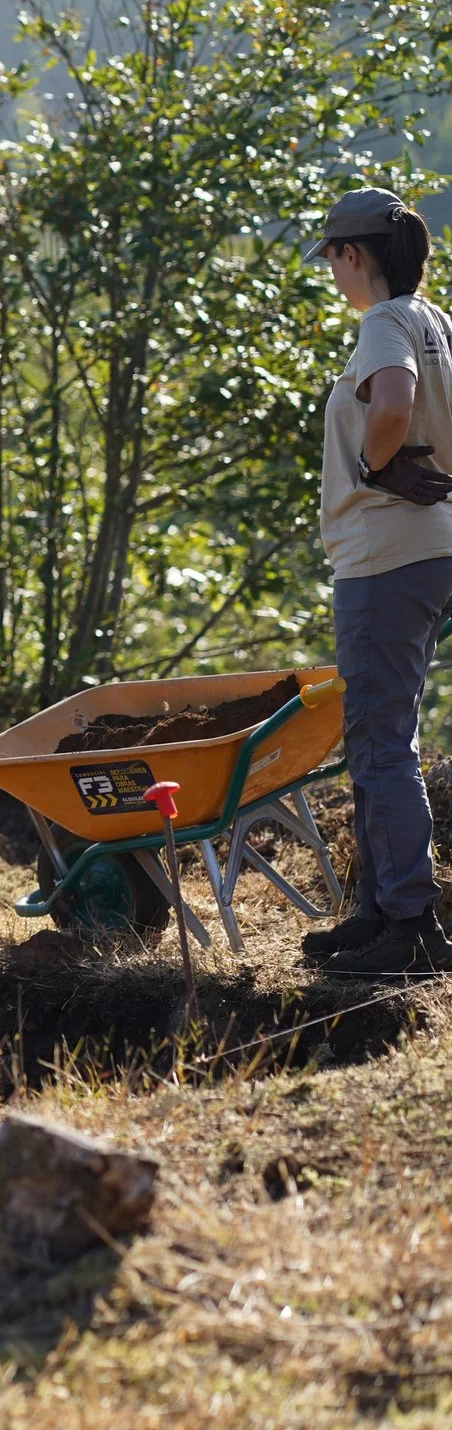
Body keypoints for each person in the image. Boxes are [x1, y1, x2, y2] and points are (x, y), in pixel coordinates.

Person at [297, 189, 452, 976]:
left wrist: (377, 462)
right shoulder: (439, 323)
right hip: (426, 551)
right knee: (381, 735)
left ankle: (411, 925)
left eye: (331, 256)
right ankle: (378, 911)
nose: (330, 270)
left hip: (384, 558)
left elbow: (394, 401)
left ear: (353, 256)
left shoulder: (385, 322)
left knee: (380, 742)